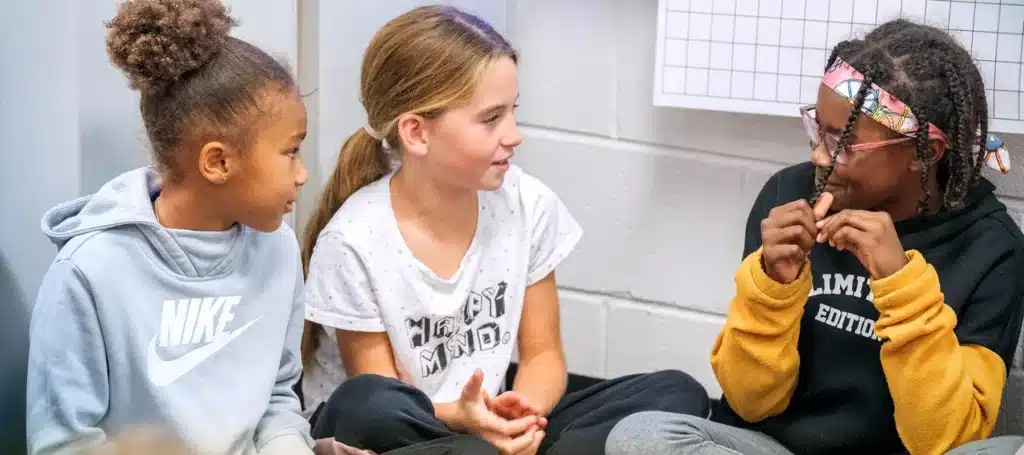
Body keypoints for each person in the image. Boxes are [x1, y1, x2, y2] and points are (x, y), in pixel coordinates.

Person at [300, 5, 711, 455]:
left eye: (512, 112)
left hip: (484, 425)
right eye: (491, 118)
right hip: (409, 430)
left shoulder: (526, 204)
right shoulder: (353, 240)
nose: (514, 134)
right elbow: (379, 401)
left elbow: (543, 356)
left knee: (677, 392)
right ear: (416, 133)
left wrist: (521, 418)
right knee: (371, 406)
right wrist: (466, 421)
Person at [606, 18, 1024, 455]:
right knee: (639, 435)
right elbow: (750, 404)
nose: (819, 154)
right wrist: (772, 285)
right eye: (818, 129)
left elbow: (945, 440)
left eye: (843, 142)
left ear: (924, 153)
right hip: (776, 447)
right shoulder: (789, 195)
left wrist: (899, 282)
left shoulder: (991, 248)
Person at [25, 1, 355, 454]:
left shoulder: (277, 248)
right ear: (218, 161)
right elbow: (64, 445)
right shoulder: (86, 275)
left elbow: (278, 400)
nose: (302, 175)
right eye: (290, 152)